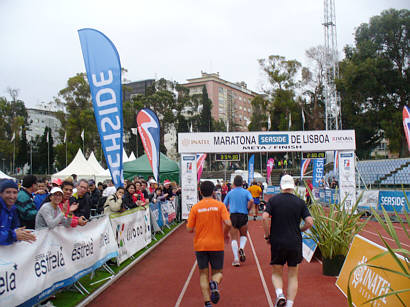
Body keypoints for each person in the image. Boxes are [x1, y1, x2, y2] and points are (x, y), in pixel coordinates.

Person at [262, 175, 313, 307]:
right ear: (293, 186)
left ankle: (280, 294)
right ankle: (289, 304)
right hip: (294, 242)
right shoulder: (300, 202)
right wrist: (301, 229)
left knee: (277, 272)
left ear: (281, 186)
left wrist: (267, 235)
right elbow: (309, 222)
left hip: (277, 241)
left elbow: (264, 217)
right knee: (292, 275)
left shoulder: (273, 201)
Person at [187, 181, 232, 307]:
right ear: (213, 191)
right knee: (217, 272)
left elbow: (189, 229)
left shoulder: (195, 207)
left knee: (203, 274)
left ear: (200, 192)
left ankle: (207, 302)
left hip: (200, 245)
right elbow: (228, 223)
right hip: (217, 244)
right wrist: (225, 234)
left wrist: (197, 228)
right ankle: (215, 283)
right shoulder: (220, 206)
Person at [223, 175, 253, 266]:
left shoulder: (230, 193)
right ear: (242, 183)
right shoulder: (246, 192)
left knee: (234, 238)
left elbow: (224, 205)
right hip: (243, 215)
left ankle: (236, 259)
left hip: (233, 216)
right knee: (243, 235)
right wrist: (248, 209)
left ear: (234, 183)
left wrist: (228, 211)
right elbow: (251, 200)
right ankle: (242, 247)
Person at [0, 180, 36, 245]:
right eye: (8, 192)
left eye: (15, 192)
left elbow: (15, 228)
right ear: (1, 193)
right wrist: (13, 235)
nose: (12, 196)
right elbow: (13, 234)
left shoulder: (13, 209)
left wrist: (21, 233)